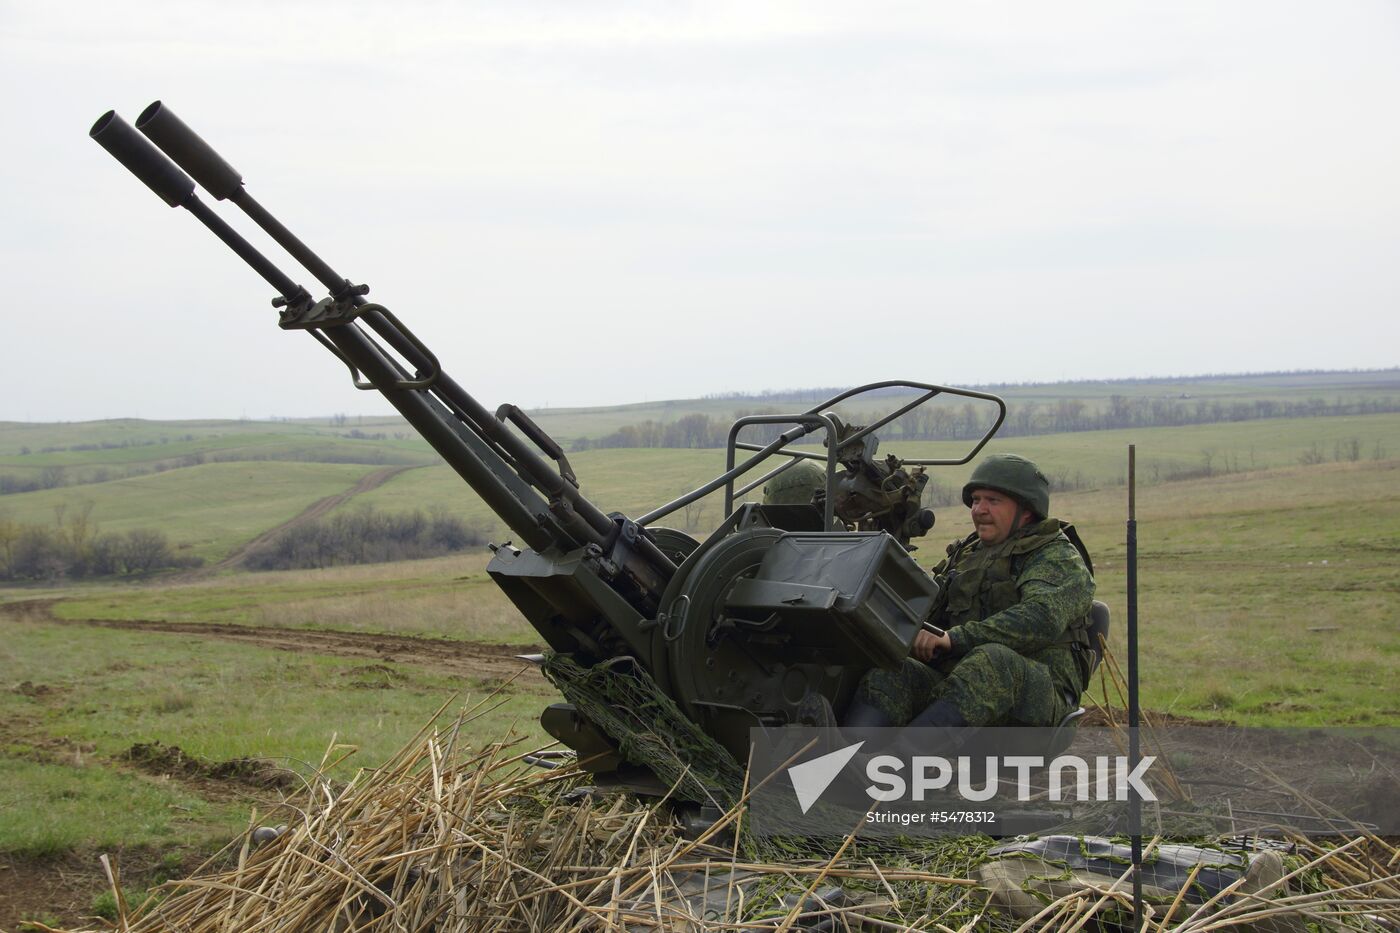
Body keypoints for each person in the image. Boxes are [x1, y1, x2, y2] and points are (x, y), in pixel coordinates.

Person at [841, 453, 1096, 732]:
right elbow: (928, 608)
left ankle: (906, 758)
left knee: (992, 662)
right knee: (891, 671)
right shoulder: (968, 553)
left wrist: (954, 639)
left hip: (1038, 698)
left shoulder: (1055, 555)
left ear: (1026, 509)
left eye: (993, 501)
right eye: (975, 500)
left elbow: (1041, 618)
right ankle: (855, 753)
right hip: (962, 688)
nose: (979, 510)